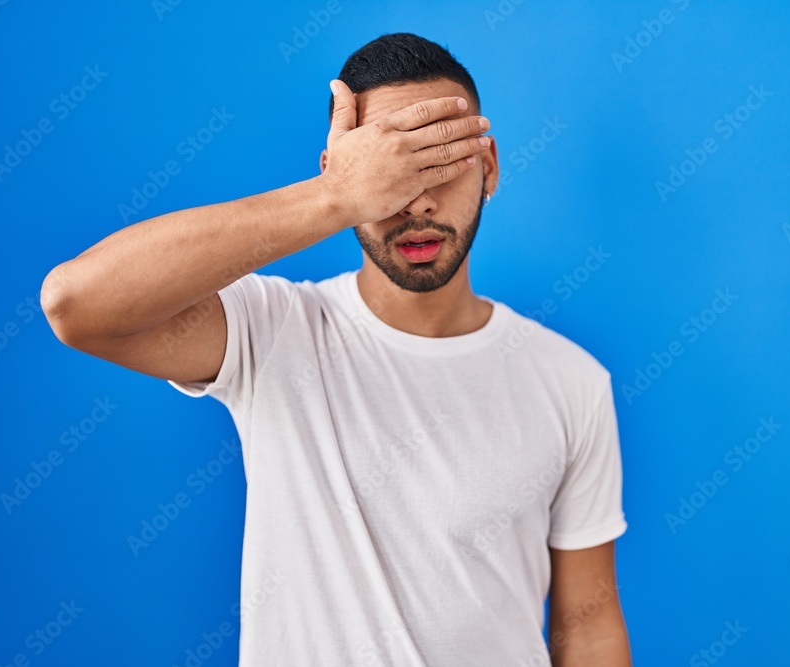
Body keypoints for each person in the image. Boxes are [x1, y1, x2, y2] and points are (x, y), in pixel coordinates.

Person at [41, 31, 631, 667]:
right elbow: (76, 304)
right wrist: (336, 198)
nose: (418, 201)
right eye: (390, 171)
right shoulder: (273, 331)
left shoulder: (571, 380)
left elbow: (588, 628)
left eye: (439, 161)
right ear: (343, 172)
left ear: (488, 166)